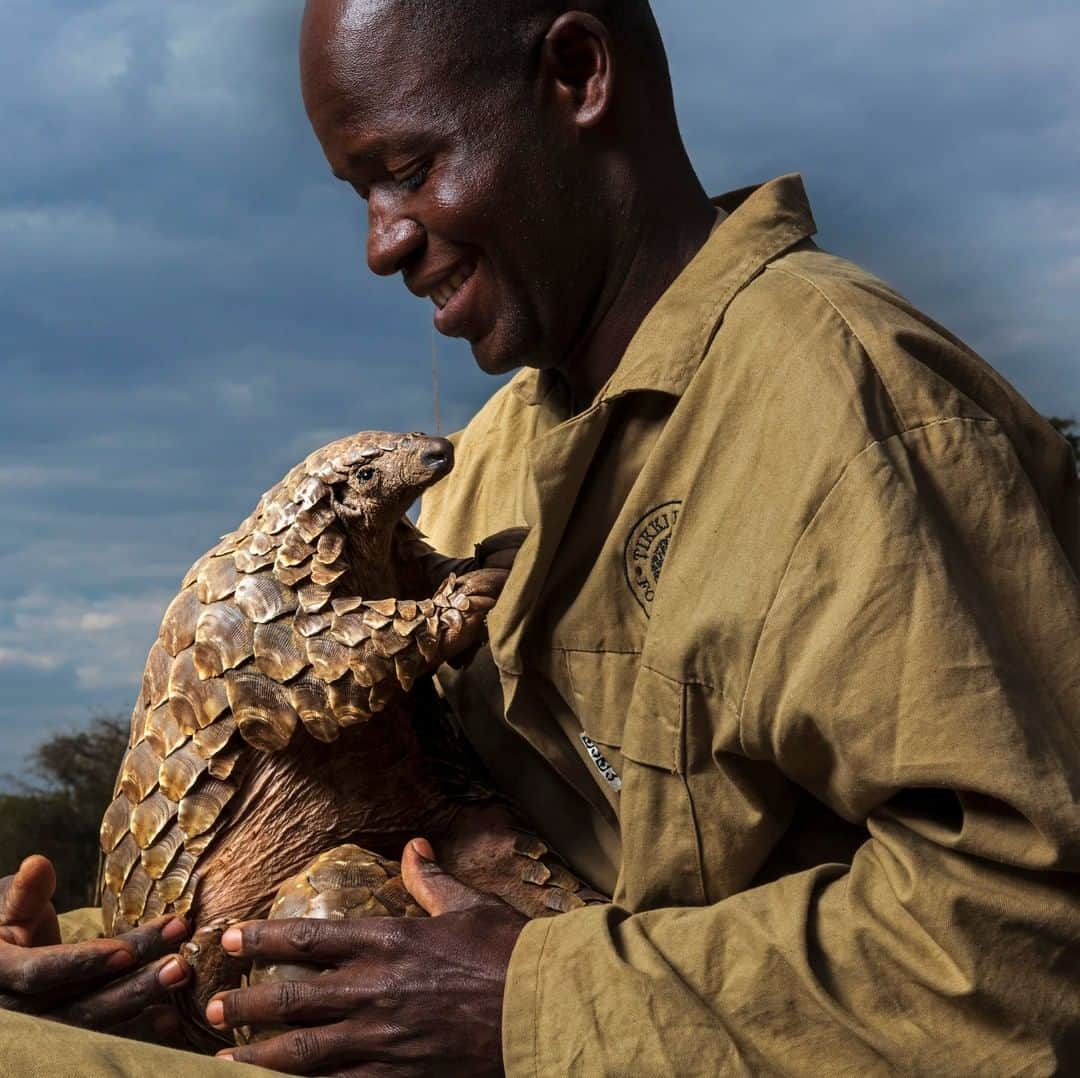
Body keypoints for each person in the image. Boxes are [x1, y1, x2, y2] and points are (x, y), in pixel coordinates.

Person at [2, 0, 1078, 1074]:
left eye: (411, 168)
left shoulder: (857, 412)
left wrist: (529, 1005)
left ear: (576, 74)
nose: (382, 243)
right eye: (362, 193)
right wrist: (128, 963)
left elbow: (1027, 952)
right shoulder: (505, 449)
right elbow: (398, 832)